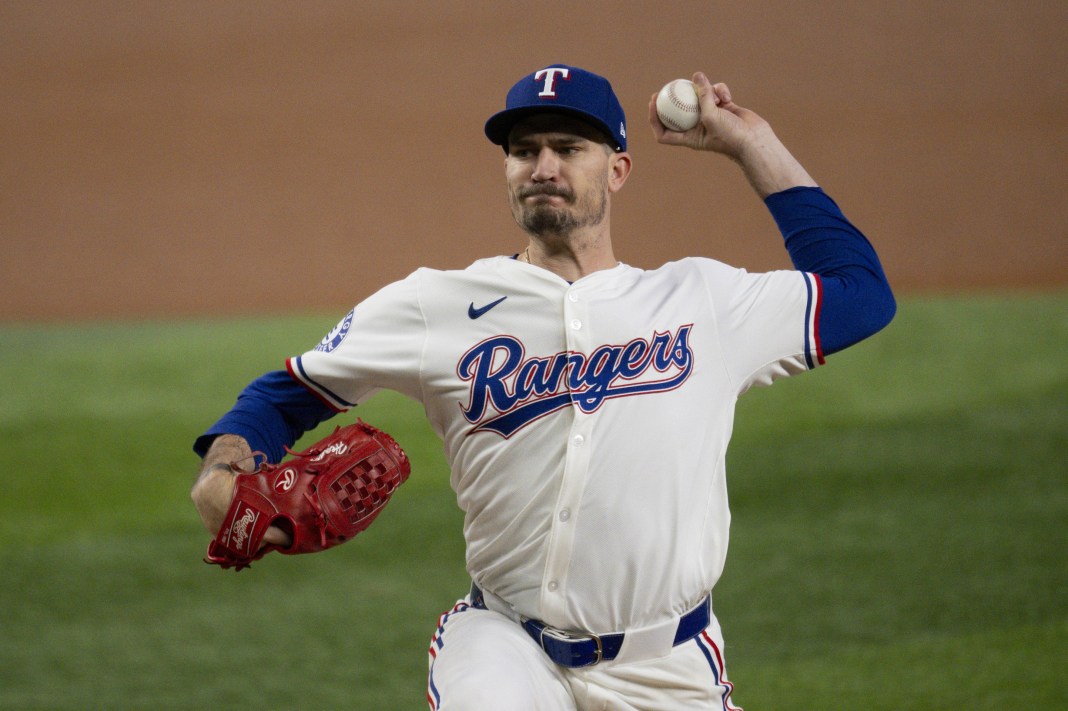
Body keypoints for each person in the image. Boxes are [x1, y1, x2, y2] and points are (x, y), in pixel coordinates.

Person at [191, 64, 895, 710]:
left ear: (618, 169)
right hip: (505, 644)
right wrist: (224, 466)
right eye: (524, 150)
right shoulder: (437, 303)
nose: (543, 166)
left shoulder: (702, 302)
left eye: (567, 147)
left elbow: (861, 293)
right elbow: (287, 392)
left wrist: (754, 145)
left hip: (667, 667)